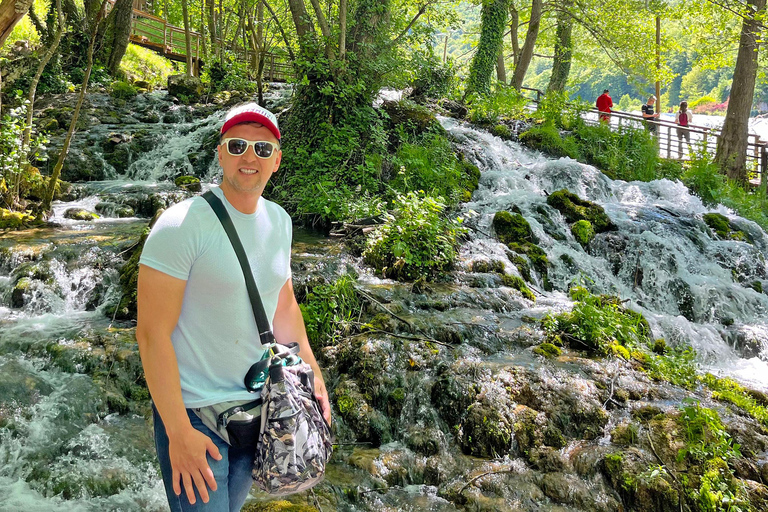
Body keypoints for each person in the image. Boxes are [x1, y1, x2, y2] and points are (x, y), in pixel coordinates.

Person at [136, 103, 331, 512]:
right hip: (194, 416)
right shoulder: (181, 225)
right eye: (238, 145)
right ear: (221, 152)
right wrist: (177, 431)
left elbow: (283, 304)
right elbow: (152, 334)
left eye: (262, 149)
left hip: (257, 411)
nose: (249, 157)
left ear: (276, 161)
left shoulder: (280, 221)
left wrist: (313, 375)